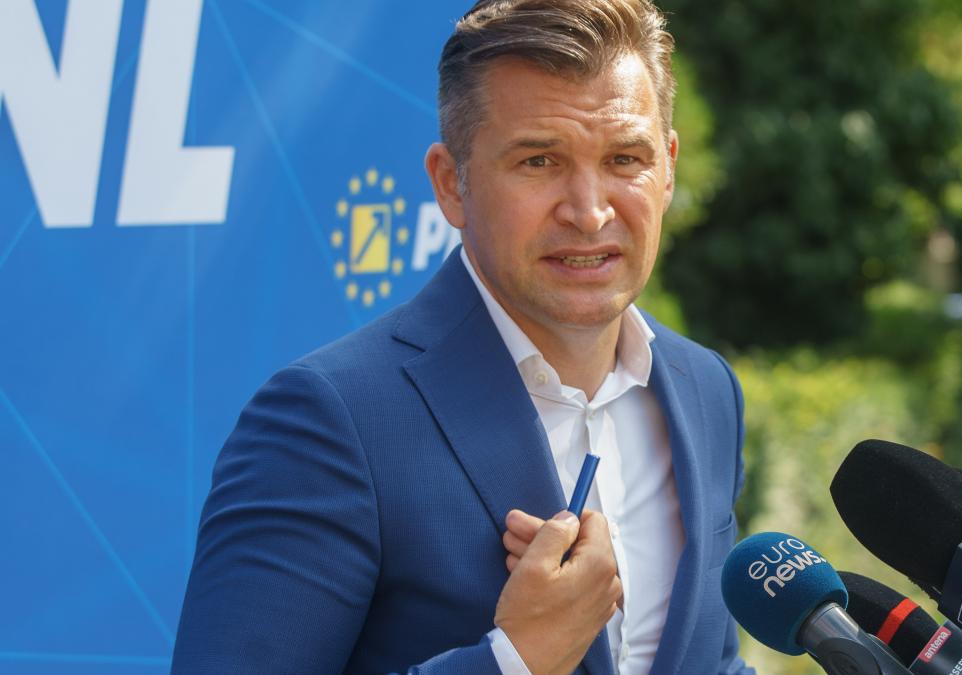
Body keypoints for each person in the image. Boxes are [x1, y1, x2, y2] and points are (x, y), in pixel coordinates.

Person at [172, 1, 752, 673]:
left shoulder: (705, 388)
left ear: (669, 168)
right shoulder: (328, 421)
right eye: (540, 160)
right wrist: (516, 660)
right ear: (451, 184)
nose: (590, 211)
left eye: (625, 158)